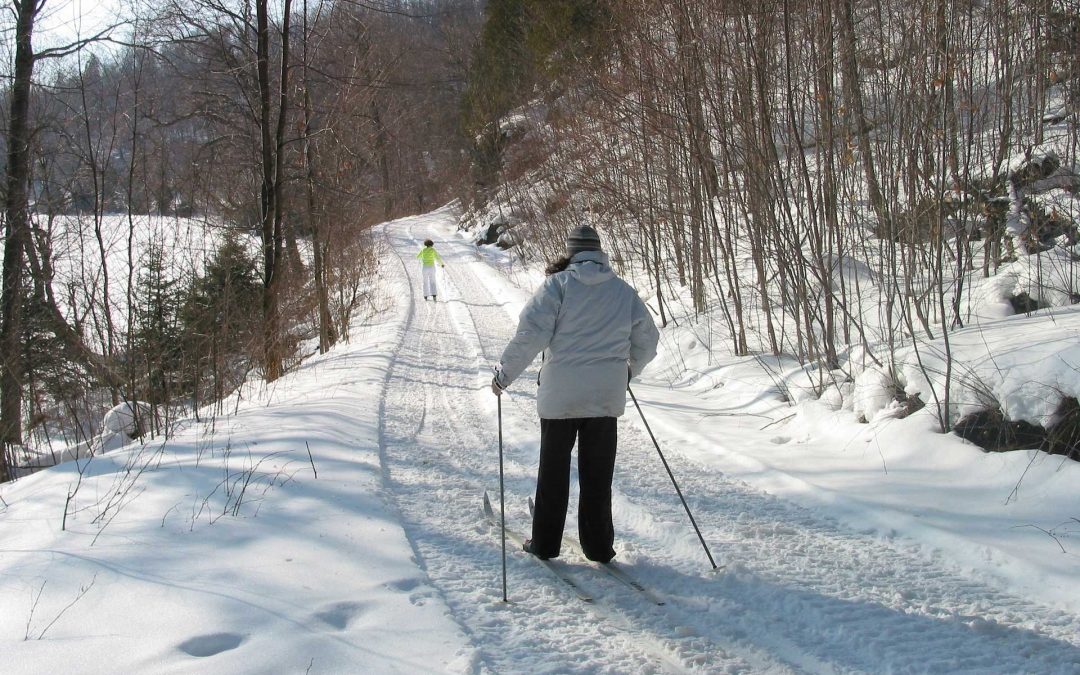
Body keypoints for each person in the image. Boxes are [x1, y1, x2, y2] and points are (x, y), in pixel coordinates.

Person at [491, 225, 659, 563]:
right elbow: (648, 340)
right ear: (599, 251)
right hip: (604, 398)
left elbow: (531, 335)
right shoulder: (622, 291)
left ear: (571, 251)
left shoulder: (557, 286)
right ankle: (598, 547)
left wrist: (503, 375)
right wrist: (627, 371)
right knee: (598, 476)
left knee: (553, 473)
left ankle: (545, 544)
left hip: (560, 398)